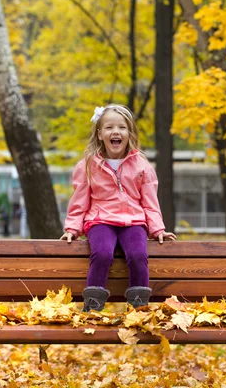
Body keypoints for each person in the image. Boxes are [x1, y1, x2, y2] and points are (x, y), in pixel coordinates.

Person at [60, 104, 176, 312]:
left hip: (133, 222)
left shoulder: (141, 165)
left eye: (122, 127)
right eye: (109, 127)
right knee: (103, 253)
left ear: (129, 133)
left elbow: (150, 202)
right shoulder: (88, 165)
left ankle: (139, 307)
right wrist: (72, 229)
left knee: (138, 255)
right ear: (100, 134)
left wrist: (157, 229)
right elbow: (79, 201)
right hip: (100, 221)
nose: (116, 132)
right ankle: (93, 306)